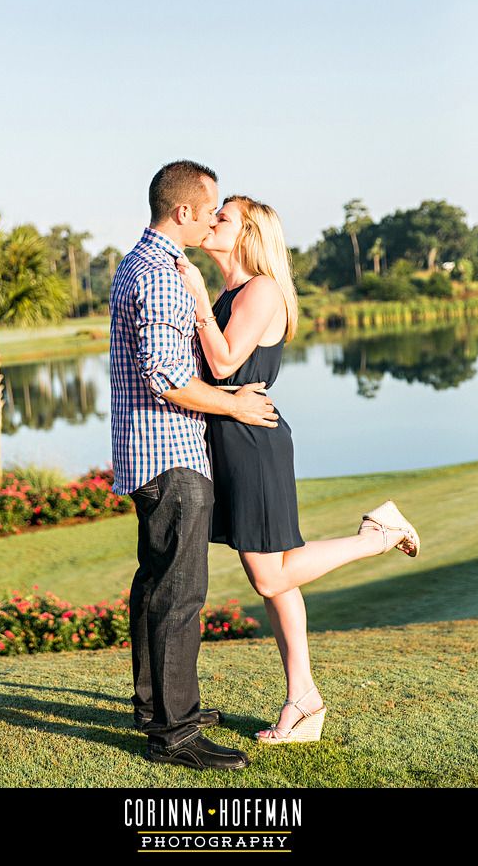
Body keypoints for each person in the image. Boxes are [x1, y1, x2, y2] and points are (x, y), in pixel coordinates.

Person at [175, 195, 420, 744]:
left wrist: (193, 299)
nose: (212, 221)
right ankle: (303, 701)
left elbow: (222, 363)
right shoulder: (231, 292)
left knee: (270, 574)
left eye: (224, 217)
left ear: (249, 234)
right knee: (278, 580)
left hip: (252, 442)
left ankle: (378, 536)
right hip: (234, 437)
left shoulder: (260, 289)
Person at [109, 161, 279, 771]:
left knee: (156, 587)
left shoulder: (142, 263)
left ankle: (157, 707)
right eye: (209, 211)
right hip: (171, 454)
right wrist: (233, 402)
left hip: (151, 454)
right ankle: (174, 734)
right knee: (179, 595)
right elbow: (167, 378)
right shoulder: (158, 275)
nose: (212, 221)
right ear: (183, 212)